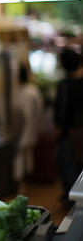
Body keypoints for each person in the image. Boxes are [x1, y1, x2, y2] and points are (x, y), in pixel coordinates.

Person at [54, 48, 83, 203]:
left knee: (64, 162)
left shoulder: (65, 84)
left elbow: (62, 108)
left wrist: (58, 127)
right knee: (79, 163)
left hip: (68, 131)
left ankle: (71, 195)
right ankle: (76, 194)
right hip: (80, 130)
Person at [12, 64, 44, 193]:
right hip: (30, 130)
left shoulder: (23, 92)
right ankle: (24, 183)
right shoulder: (33, 90)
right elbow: (39, 111)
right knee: (27, 157)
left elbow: (26, 115)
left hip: (24, 131)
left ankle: (21, 185)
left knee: (21, 157)